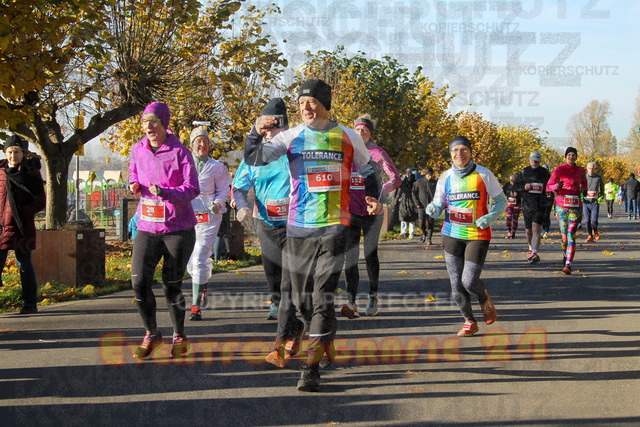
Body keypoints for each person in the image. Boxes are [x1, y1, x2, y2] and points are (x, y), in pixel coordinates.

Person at [244, 78, 382, 392]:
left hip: (335, 226)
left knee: (322, 298)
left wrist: (373, 196)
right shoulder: (291, 137)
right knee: (301, 299)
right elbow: (254, 158)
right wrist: (254, 131)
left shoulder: (347, 136)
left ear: (324, 104)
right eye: (301, 103)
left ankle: (310, 369)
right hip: (298, 229)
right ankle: (325, 338)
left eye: (311, 102)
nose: (305, 107)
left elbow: (369, 169)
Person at [128, 102, 200, 359]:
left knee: (171, 285)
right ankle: (151, 333)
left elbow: (192, 188)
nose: (149, 126)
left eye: (154, 122)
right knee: (138, 282)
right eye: (145, 122)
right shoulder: (137, 149)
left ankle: (179, 335)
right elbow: (133, 173)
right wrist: (133, 184)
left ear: (164, 124)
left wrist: (166, 192)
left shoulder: (180, 151)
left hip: (177, 228)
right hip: (147, 226)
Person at [426, 136, 504, 337]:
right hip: (451, 233)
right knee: (456, 283)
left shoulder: (484, 174)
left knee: (469, 280)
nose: (459, 154)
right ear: (450, 154)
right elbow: (438, 206)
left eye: (463, 150)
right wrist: (432, 209)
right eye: (455, 150)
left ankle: (483, 298)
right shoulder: (445, 177)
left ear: (470, 152)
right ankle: (469, 320)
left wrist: (490, 217)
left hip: (477, 234)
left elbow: (501, 202)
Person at [232, 97, 292, 321]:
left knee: (291, 269)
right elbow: (239, 188)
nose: (268, 135)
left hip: (294, 222)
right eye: (264, 130)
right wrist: (242, 207)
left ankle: (289, 307)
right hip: (265, 222)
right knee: (272, 267)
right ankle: (277, 303)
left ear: (284, 129)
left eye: (273, 130)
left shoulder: (294, 152)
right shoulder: (254, 156)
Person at [342, 115, 401, 319]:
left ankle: (372, 296)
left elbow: (396, 179)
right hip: (351, 210)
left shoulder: (378, 153)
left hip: (372, 212)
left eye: (365, 130)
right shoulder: (346, 152)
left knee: (370, 254)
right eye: (357, 130)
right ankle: (351, 301)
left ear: (370, 134)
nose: (361, 133)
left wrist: (379, 193)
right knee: (350, 256)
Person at [186, 126, 230, 321]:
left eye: (205, 141)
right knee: (191, 259)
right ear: (192, 144)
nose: (202, 145)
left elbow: (224, 190)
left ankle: (195, 306)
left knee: (200, 255)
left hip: (209, 217)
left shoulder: (217, 167)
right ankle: (202, 285)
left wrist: (218, 203)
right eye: (198, 141)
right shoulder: (183, 164)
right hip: (187, 216)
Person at [0, 135, 45, 314]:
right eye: (10, 152)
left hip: (21, 227)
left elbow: (40, 201)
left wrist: (21, 212)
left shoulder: (30, 172)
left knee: (24, 265)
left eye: (17, 152)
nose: (13, 156)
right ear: (5, 153)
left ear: (22, 153)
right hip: (1, 228)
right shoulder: (1, 171)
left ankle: (29, 303)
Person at [545, 147, 587, 275]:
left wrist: (584, 190)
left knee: (571, 233)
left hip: (575, 205)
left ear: (576, 157)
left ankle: (568, 263)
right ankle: (565, 253)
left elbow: (584, 181)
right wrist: (557, 186)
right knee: (564, 236)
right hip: (561, 206)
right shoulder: (559, 169)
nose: (571, 157)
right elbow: (548, 186)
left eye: (573, 155)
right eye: (569, 155)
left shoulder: (581, 170)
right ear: (566, 156)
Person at [514, 151, 550, 264]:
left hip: (540, 205)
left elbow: (550, 185)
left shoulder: (545, 173)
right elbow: (516, 186)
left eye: (537, 161)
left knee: (536, 229)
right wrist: (524, 187)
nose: (534, 162)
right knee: (528, 231)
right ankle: (530, 248)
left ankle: (534, 253)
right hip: (527, 205)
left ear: (540, 161)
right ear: (530, 161)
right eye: (533, 160)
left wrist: (549, 193)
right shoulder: (524, 172)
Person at [412, 167, 438, 244]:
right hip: (421, 206)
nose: (430, 177)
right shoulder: (419, 182)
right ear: (426, 175)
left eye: (431, 175)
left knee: (431, 223)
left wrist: (435, 201)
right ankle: (424, 233)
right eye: (429, 175)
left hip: (431, 206)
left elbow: (438, 193)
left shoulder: (434, 183)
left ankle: (429, 239)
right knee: (421, 223)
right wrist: (417, 203)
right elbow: (413, 192)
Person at [582, 162, 604, 241]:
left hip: (594, 202)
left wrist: (601, 196)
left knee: (594, 220)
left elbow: (602, 188)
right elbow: (580, 187)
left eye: (593, 168)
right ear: (587, 169)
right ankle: (590, 235)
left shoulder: (598, 177)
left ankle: (595, 231)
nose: (591, 170)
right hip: (586, 202)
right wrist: (581, 195)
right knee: (587, 221)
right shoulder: (584, 177)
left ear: (595, 169)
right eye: (590, 168)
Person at [395, 167, 417, 239]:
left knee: (412, 218)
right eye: (406, 172)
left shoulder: (414, 182)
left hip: (412, 202)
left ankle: (411, 233)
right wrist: (396, 200)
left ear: (411, 173)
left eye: (409, 172)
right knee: (403, 218)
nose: (407, 174)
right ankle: (403, 233)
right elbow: (399, 192)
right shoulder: (403, 182)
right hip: (403, 201)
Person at [502, 174, 521, 239]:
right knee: (509, 217)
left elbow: (523, 194)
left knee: (515, 219)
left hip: (517, 204)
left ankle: (513, 232)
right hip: (509, 203)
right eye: (511, 180)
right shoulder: (507, 185)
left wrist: (518, 194)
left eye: (513, 180)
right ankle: (509, 232)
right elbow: (503, 193)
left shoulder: (518, 185)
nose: (512, 181)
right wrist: (505, 197)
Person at [541, 164, 554, 239]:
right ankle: (542, 229)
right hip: (541, 199)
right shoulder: (539, 177)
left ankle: (546, 231)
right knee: (541, 214)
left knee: (546, 215)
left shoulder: (551, 178)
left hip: (549, 199)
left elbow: (554, 187)